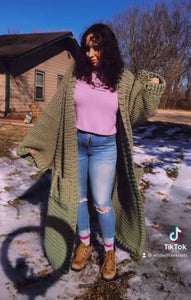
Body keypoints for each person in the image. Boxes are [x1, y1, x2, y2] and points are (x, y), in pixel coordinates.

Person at [17, 23, 166, 280]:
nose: (90, 53)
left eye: (96, 47)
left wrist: (151, 87)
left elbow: (139, 112)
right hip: (75, 144)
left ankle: (109, 251)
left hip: (104, 147)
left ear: (107, 47)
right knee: (78, 199)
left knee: (102, 202)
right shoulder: (76, 74)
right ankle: (84, 244)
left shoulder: (123, 79)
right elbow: (54, 112)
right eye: (87, 48)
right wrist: (36, 142)